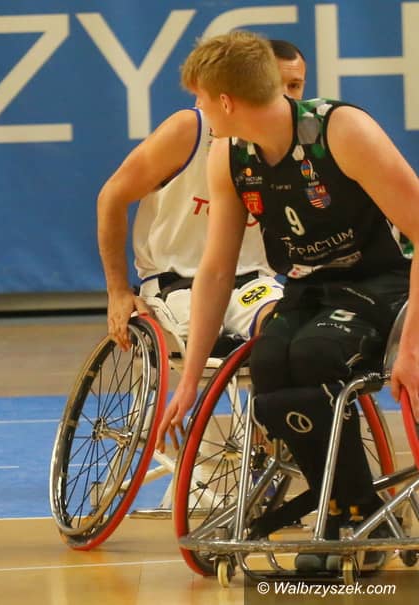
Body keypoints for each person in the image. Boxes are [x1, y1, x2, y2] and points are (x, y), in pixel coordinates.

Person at [156, 31, 419, 569]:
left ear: (225, 101)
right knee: (270, 364)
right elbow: (216, 270)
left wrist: (412, 345)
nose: (198, 109)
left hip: (385, 280)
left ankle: (350, 517)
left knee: (316, 354)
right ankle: (353, 510)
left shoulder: (341, 130)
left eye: (200, 98)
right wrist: (188, 380)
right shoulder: (228, 155)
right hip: (307, 286)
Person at [98, 39, 306, 353]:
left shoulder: (302, 140)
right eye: (276, 85)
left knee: (291, 333)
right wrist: (117, 292)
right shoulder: (191, 129)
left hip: (252, 283)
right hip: (176, 285)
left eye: (295, 86)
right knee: (211, 343)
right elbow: (112, 196)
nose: (286, 97)